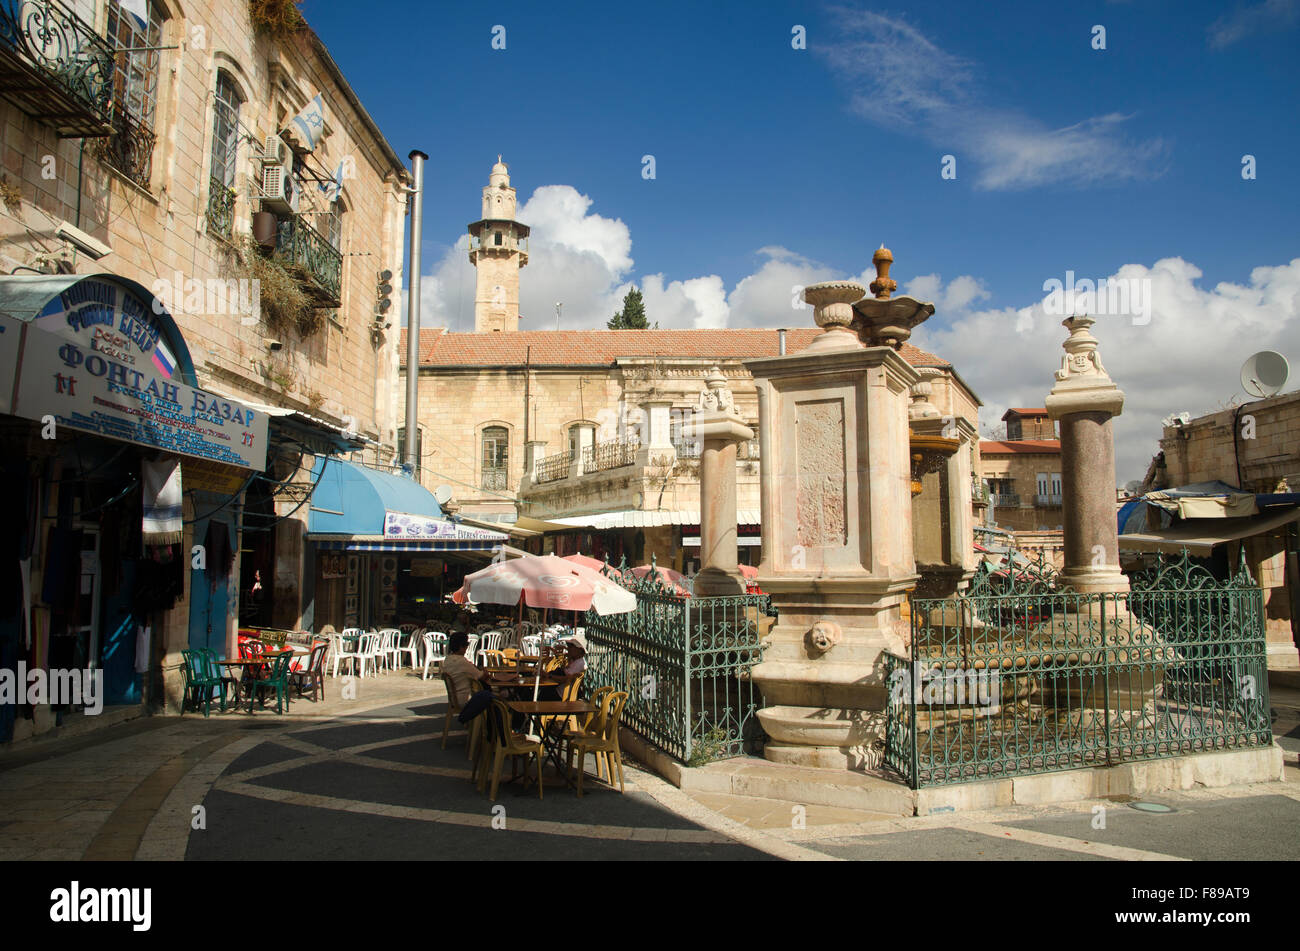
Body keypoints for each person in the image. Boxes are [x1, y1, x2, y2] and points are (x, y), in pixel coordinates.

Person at [441, 632, 484, 708]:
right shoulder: (462, 662)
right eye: (466, 646)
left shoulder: (447, 659)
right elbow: (481, 676)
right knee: (488, 695)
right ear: (461, 647)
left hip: (453, 699)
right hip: (464, 700)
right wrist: (485, 670)